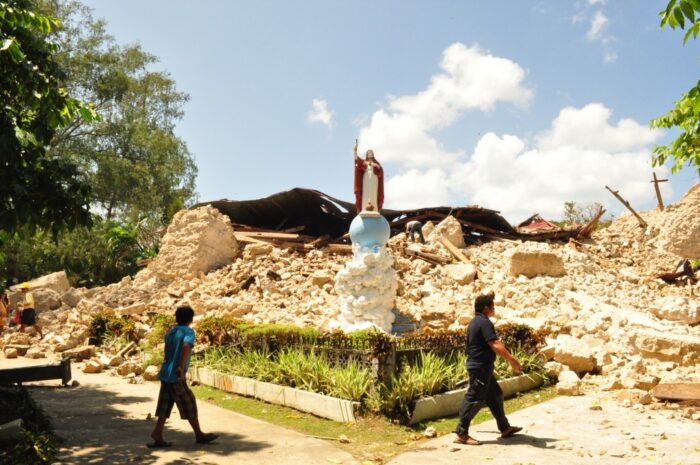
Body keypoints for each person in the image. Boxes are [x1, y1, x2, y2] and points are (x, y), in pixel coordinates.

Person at [454, 292, 523, 445]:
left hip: (483, 368)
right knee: (474, 399)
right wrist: (512, 360)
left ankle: (505, 428)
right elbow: (495, 344)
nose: (494, 308)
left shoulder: (476, 322)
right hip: (480, 368)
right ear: (486, 308)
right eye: (492, 306)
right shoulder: (484, 323)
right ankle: (461, 433)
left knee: (495, 395)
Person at [149, 305, 218, 448]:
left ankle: (157, 432)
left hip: (166, 373)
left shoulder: (171, 332)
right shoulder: (189, 331)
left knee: (165, 405)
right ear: (191, 319)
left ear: (177, 318)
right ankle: (199, 434)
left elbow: (168, 351)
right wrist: (180, 366)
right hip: (176, 375)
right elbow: (186, 345)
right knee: (189, 403)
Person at [353, 139, 384, 214]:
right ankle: (364, 208)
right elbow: (356, 159)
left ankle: (374, 209)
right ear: (367, 154)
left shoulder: (377, 164)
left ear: (373, 154)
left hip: (374, 179)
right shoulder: (364, 162)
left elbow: (380, 171)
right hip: (366, 179)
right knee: (366, 192)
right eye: (368, 153)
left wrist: (376, 166)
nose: (370, 154)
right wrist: (355, 150)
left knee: (373, 193)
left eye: (371, 153)